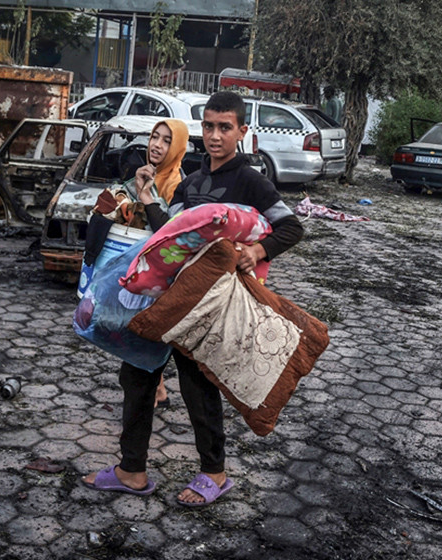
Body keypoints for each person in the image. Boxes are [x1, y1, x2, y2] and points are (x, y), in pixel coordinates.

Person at [82, 91, 304, 506]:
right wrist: (148, 200)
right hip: (169, 297)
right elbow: (170, 232)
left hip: (209, 306)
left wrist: (256, 252)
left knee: (197, 385)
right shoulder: (193, 181)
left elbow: (291, 228)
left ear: (242, 131)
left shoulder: (249, 180)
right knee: (137, 375)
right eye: (209, 127)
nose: (215, 135)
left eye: (225, 127)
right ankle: (132, 470)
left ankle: (214, 474)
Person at [131, 118, 189, 409]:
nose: (157, 144)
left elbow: (168, 231)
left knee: (149, 332)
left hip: (162, 271)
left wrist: (145, 195)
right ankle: (159, 390)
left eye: (167, 140)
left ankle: (151, 395)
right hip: (143, 267)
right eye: (155, 137)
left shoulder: (178, 184)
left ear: (177, 147)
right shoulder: (147, 173)